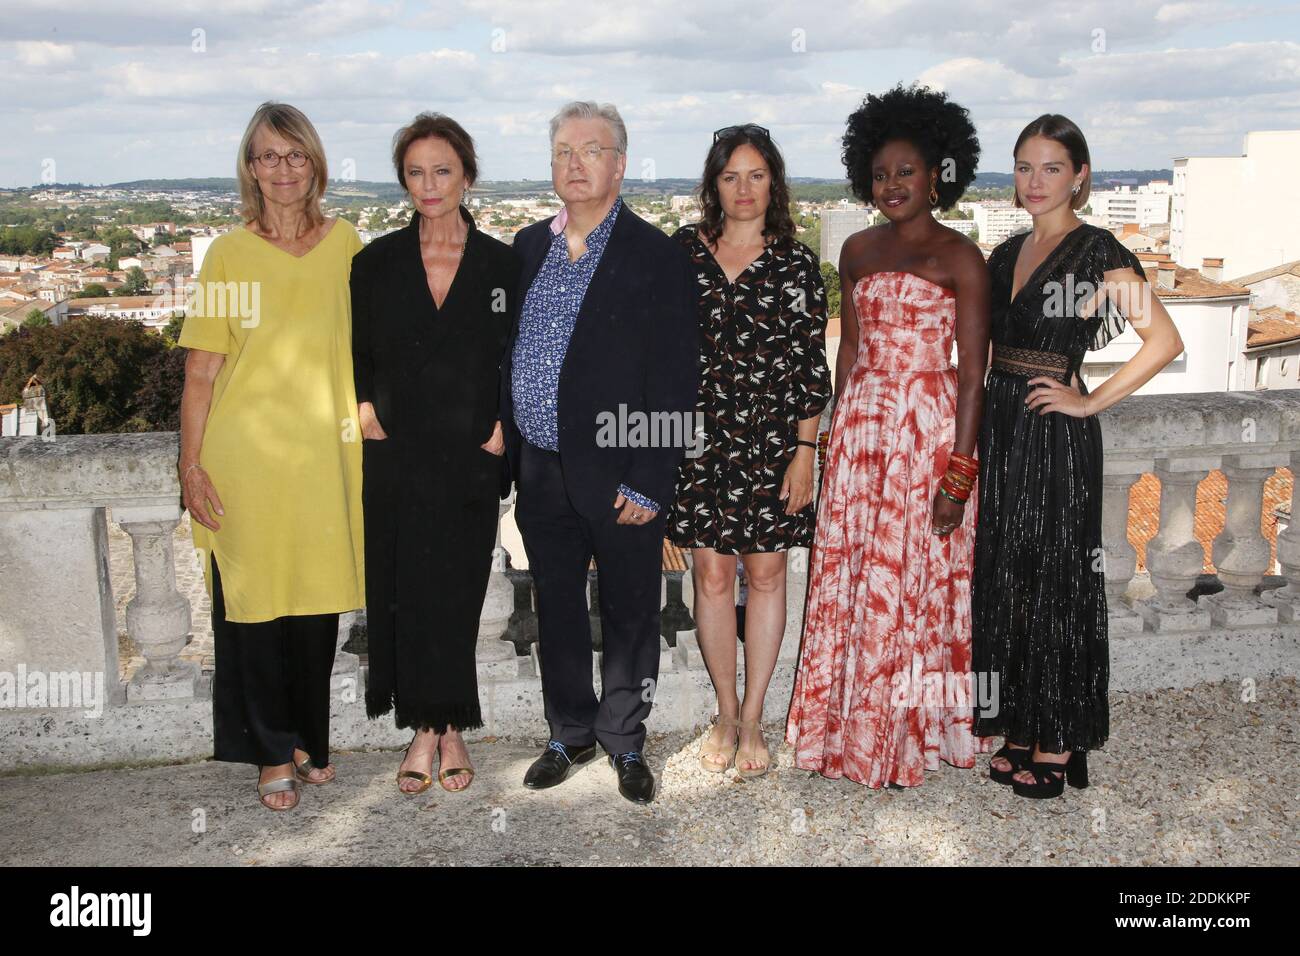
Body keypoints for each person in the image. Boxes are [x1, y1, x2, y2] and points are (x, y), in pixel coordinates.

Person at [785, 84, 991, 788]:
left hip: (927, 434)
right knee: (852, 581)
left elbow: (971, 379)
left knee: (914, 586)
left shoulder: (962, 258)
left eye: (906, 171)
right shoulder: (857, 248)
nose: (892, 184)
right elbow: (849, 349)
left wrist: (957, 476)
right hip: (862, 433)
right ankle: (839, 733)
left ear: (939, 174)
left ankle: (905, 738)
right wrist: (838, 431)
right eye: (880, 174)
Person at [974, 114, 1182, 798]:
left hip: (1054, 431)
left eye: (1052, 168)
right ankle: (1025, 727)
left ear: (1081, 176)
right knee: (1010, 579)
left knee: (1057, 579)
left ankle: (1061, 738)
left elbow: (1163, 340)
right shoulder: (1004, 254)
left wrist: (1090, 404)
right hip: (1002, 427)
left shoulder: (1096, 251)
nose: (1035, 182)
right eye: (1025, 167)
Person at [500, 101, 699, 804]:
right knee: (555, 603)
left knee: (630, 609)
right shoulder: (528, 247)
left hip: (620, 468)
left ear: (619, 164)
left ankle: (624, 738)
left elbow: (676, 377)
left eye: (591, 150)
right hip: (540, 466)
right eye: (562, 151)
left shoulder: (655, 255)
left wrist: (651, 478)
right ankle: (570, 732)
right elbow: (506, 354)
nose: (574, 163)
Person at [178, 101, 365, 811]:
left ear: (314, 163)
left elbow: (371, 350)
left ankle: (310, 740)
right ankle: (268, 751)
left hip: (325, 457)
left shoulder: (346, 243)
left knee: (316, 607)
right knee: (253, 609)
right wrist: (191, 466)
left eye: (295, 155)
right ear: (250, 169)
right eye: (267, 156)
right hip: (245, 459)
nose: (282, 169)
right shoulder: (228, 253)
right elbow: (201, 371)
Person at [351, 113, 517, 796]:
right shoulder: (376, 263)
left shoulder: (504, 266)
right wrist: (365, 412)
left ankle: (448, 725)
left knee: (456, 590)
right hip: (399, 451)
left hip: (471, 453)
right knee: (405, 590)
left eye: (442, 170)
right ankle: (429, 728)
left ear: (466, 177)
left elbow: (520, 356)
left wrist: (503, 426)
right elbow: (358, 353)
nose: (429, 184)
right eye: (415, 172)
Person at [669, 124, 830, 778]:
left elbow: (808, 366)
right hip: (698, 446)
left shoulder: (794, 263)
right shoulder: (681, 254)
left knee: (765, 577)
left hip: (771, 445)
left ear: (774, 183)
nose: (743, 188)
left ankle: (755, 718)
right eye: (731, 176)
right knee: (711, 577)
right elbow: (658, 358)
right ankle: (724, 712)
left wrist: (805, 451)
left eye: (756, 175)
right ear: (714, 184)